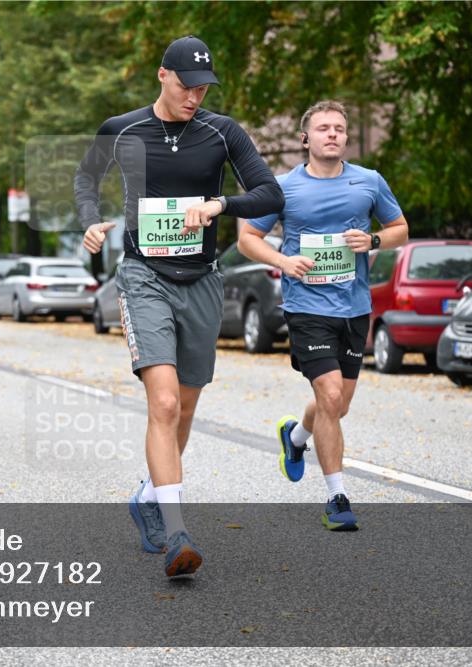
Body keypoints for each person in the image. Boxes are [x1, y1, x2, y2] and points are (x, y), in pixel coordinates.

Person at [75, 36, 284, 577]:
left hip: (202, 280)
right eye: (187, 84)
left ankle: (148, 493)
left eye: (203, 87)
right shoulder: (121, 129)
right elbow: (84, 178)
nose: (195, 95)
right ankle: (176, 533)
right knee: (163, 404)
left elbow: (269, 193)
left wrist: (220, 204)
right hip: (144, 275)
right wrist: (90, 220)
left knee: (186, 407)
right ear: (162, 75)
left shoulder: (222, 132)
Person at [240, 100, 408, 531]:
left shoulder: (369, 182)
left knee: (338, 405)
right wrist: (284, 261)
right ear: (306, 138)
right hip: (306, 307)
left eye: (338, 128)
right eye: (322, 128)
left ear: (346, 138)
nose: (331, 134)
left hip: (354, 308)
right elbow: (247, 238)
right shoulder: (283, 188)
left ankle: (296, 438)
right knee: (330, 396)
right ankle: (337, 497)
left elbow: (400, 230)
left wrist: (371, 240)